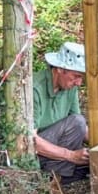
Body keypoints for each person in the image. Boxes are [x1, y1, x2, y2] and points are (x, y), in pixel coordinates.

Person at [34, 42, 90, 185]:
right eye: (76, 76)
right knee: (77, 121)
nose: (79, 82)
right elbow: (30, 141)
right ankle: (52, 177)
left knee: (79, 122)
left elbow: (81, 128)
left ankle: (59, 175)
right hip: (34, 151)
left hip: (56, 145)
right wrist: (71, 156)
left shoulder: (70, 88)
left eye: (81, 77)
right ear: (59, 69)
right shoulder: (35, 89)